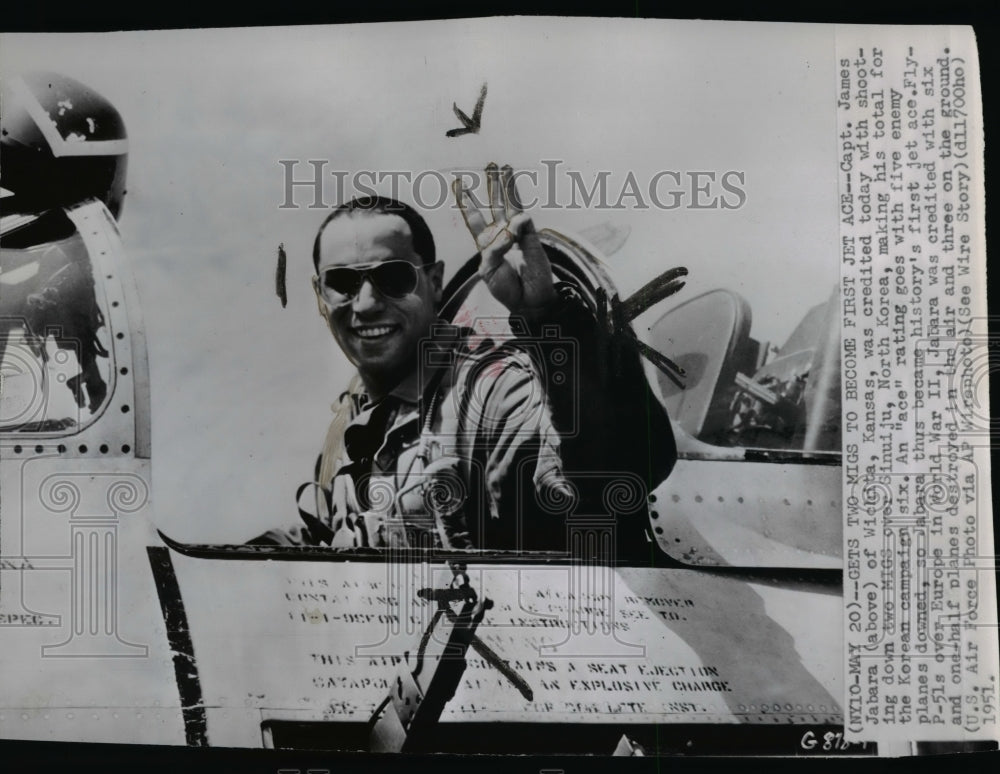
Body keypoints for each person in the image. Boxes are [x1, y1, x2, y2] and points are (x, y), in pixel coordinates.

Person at [258, 163, 675, 552]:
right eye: (343, 283)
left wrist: (550, 319)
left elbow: (619, 467)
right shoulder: (355, 423)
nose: (366, 304)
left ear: (435, 282)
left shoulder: (491, 389)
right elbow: (320, 538)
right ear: (319, 296)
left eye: (393, 278)